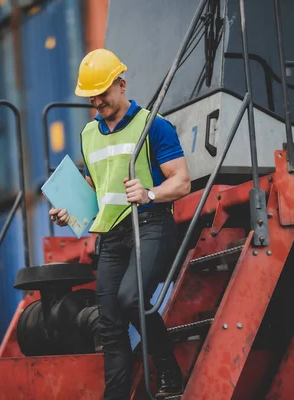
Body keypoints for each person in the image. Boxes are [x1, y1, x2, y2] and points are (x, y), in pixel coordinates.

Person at [50, 48, 191, 399]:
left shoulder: (153, 125)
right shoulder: (88, 135)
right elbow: (97, 185)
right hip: (111, 236)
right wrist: (68, 208)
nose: (97, 101)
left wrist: (150, 194)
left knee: (130, 299)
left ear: (122, 84)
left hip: (151, 225)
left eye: (102, 93)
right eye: (91, 96)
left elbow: (182, 181)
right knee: (111, 326)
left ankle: (168, 367)